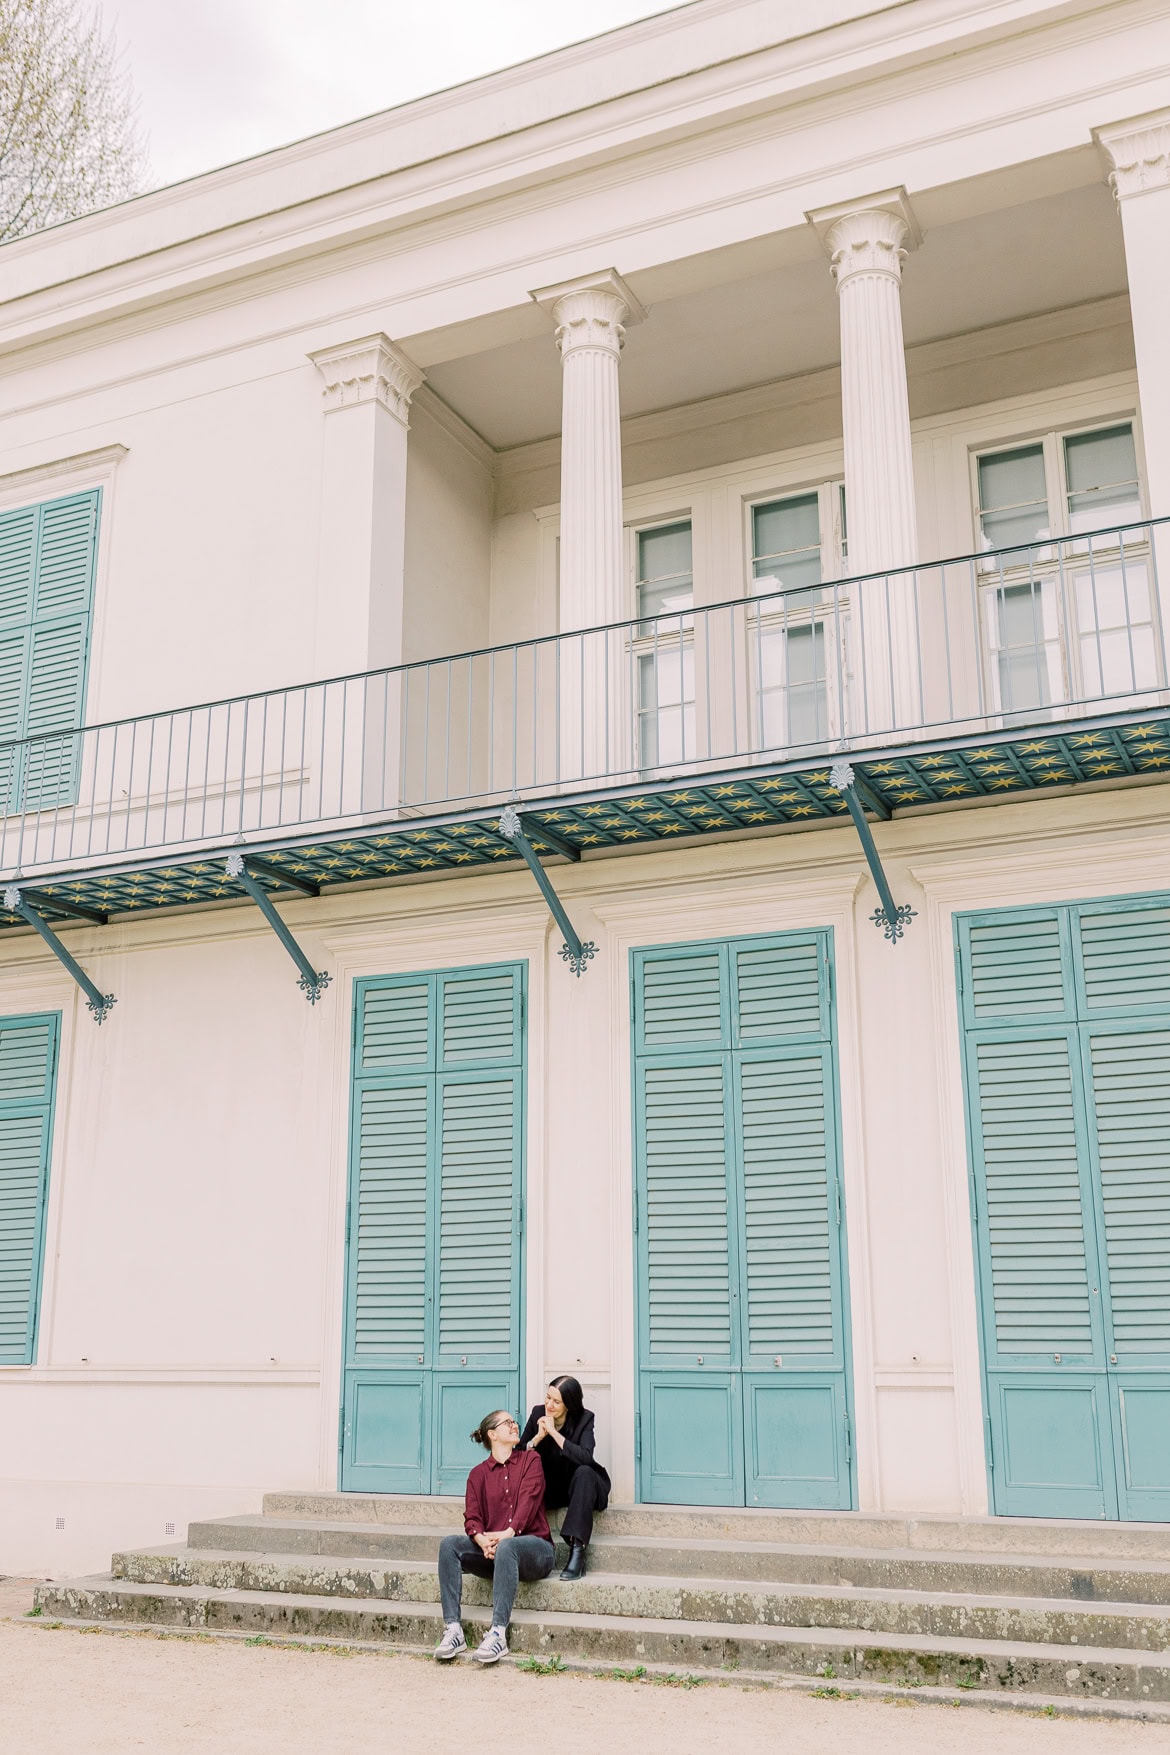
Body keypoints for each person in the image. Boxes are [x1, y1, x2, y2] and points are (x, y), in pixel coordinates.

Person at [434, 1409, 555, 1665]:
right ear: (492, 1434)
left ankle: (498, 1633)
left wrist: (507, 1535)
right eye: (508, 1422)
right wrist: (480, 1539)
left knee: (508, 1546)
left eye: (514, 1421)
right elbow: (472, 1517)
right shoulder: (478, 1475)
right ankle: (453, 1630)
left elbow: (530, 1501)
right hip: (495, 1554)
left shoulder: (530, 1461)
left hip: (536, 1550)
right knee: (449, 1545)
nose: (515, 1425)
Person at [517, 1374, 610, 1581]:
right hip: (550, 1488)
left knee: (585, 1472)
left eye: (556, 1402)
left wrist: (554, 1433)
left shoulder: (585, 1419)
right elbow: (517, 1457)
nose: (549, 1405)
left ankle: (577, 1549)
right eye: (548, 1397)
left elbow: (586, 1457)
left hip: (580, 1488)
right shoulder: (537, 1413)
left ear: (569, 1404)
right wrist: (537, 1438)